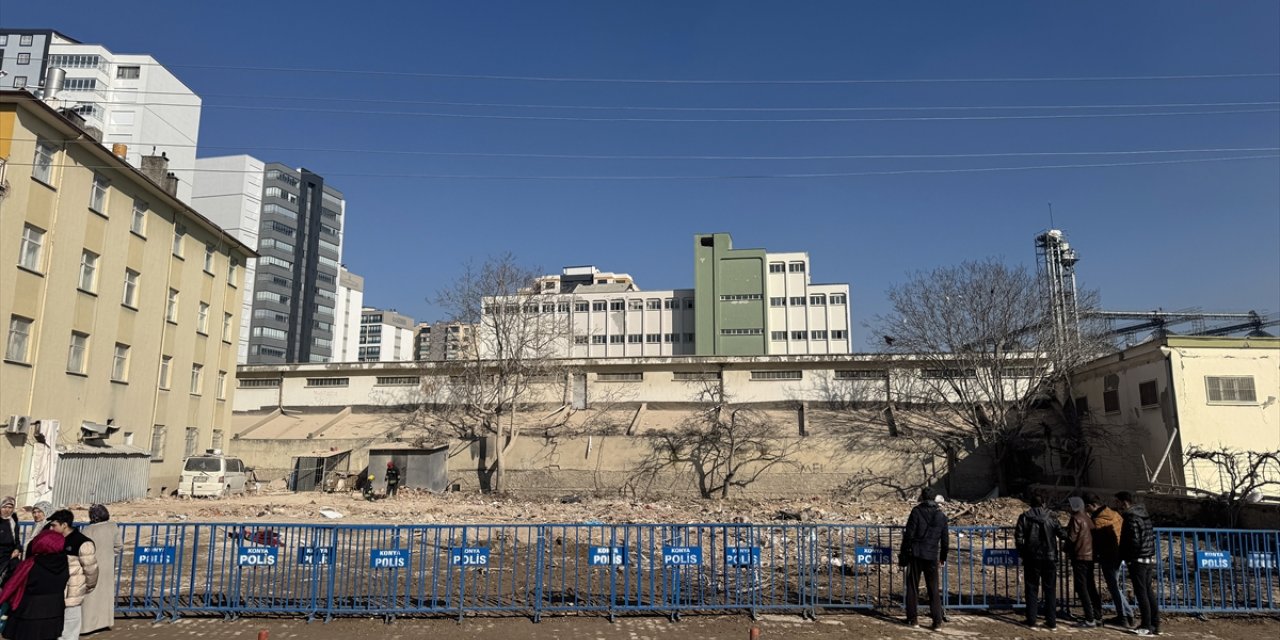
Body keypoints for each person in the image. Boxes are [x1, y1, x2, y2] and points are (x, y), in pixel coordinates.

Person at [0, 528, 69, 640]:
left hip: (29, 611)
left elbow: (12, 584)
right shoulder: (64, 562)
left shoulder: (31, 563)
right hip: (55, 611)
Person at [1014, 491, 1065, 630]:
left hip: (1032, 558)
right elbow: (1062, 534)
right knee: (1050, 589)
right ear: (1043, 504)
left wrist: (1024, 553)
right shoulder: (1052, 517)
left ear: (1030, 504)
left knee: (1031, 588)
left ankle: (1031, 619)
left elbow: (1018, 538)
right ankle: (1052, 621)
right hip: (1049, 557)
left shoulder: (1024, 517)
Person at [899, 489, 949, 630]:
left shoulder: (916, 511)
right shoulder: (941, 516)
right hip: (932, 556)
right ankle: (937, 622)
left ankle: (913, 619)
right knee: (933, 589)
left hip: (916, 554)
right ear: (935, 498)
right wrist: (942, 558)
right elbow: (945, 541)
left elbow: (909, 535)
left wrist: (904, 553)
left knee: (913, 586)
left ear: (922, 497)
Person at [1085, 492, 1133, 628]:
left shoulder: (1098, 521)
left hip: (1109, 556)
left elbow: (1097, 542)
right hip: (1119, 554)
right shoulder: (1114, 514)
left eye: (1087, 507)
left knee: (1114, 587)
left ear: (1092, 506)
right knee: (1115, 586)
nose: (1086, 510)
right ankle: (1127, 614)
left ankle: (1124, 615)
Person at [45, 511, 96, 640]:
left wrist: (87, 586)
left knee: (69, 630)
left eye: (54, 525)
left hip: (72, 592)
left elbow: (91, 569)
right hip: (55, 591)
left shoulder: (82, 543)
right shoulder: (54, 541)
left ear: (64, 525)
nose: (51, 528)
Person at [1116, 491, 1159, 636]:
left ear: (1124, 502)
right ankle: (1155, 623)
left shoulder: (1131, 518)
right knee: (1148, 591)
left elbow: (1133, 540)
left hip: (1137, 559)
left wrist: (1127, 557)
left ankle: (1146, 625)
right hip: (1147, 557)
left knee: (1141, 593)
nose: (1117, 506)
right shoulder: (1144, 515)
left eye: (1118, 502)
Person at [78, 506, 119, 635]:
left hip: (91, 565)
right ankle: (105, 621)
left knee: (90, 595)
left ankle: (87, 625)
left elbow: (82, 548)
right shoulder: (113, 527)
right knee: (105, 594)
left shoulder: (88, 530)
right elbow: (118, 546)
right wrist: (110, 556)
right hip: (107, 565)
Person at [1066, 496, 1100, 627]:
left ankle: (1089, 618)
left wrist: (1066, 549)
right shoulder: (1088, 518)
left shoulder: (1076, 519)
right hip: (1090, 557)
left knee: (1082, 587)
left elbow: (1071, 538)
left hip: (1080, 556)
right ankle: (1097, 615)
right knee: (1091, 586)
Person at [1, 498, 21, 587]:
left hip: (11, 554)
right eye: (4, 507)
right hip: (1, 554)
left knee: (12, 579)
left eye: (10, 507)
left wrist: (17, 549)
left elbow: (17, 539)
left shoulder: (13, 521)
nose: (7, 510)